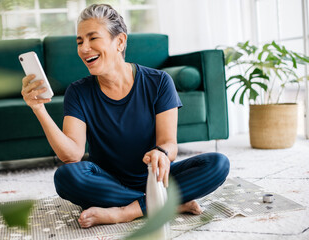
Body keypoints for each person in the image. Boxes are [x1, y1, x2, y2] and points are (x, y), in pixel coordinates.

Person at [21, 4, 230, 229]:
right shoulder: (78, 92)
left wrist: (161, 153)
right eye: (80, 41)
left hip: (155, 177)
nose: (84, 48)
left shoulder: (158, 82)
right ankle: (164, 202)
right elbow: (72, 155)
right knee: (66, 177)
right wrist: (38, 109)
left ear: (120, 41)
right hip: (108, 182)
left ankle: (127, 211)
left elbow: (169, 144)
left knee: (218, 163)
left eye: (93, 38)